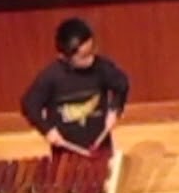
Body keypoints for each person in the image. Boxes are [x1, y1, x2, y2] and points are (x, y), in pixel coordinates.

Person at [20, 18, 130, 160]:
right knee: (68, 179)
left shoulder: (100, 67)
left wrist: (115, 109)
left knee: (104, 177)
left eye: (92, 51)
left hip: (99, 142)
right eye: (83, 56)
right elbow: (29, 105)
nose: (90, 59)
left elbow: (121, 84)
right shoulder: (51, 76)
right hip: (66, 148)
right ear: (63, 57)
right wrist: (47, 130)